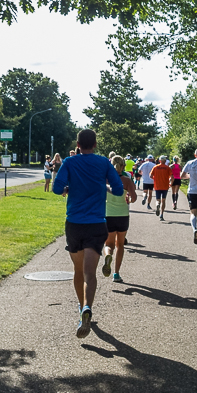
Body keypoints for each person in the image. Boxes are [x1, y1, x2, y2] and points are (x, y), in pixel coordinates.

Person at [52, 129, 125, 339]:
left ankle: (81, 307)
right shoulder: (103, 163)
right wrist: (104, 186)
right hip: (96, 224)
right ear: (95, 144)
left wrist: (69, 186)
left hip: (74, 223)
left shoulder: (69, 162)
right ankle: (87, 308)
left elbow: (57, 189)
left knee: (77, 270)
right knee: (89, 273)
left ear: (78, 144)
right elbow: (119, 190)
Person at [102, 155, 138, 283]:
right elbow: (134, 198)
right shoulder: (127, 180)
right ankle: (116, 274)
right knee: (120, 244)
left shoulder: (105, 179)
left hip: (108, 215)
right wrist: (128, 197)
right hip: (123, 215)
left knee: (109, 244)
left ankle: (107, 256)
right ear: (123, 166)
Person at [149, 155, 172, 221]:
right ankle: (161, 215)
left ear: (159, 161)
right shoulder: (167, 168)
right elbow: (172, 177)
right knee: (163, 200)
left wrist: (155, 178)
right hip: (165, 186)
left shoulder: (155, 167)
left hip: (157, 186)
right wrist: (171, 183)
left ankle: (157, 205)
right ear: (165, 161)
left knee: (157, 199)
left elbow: (150, 175)